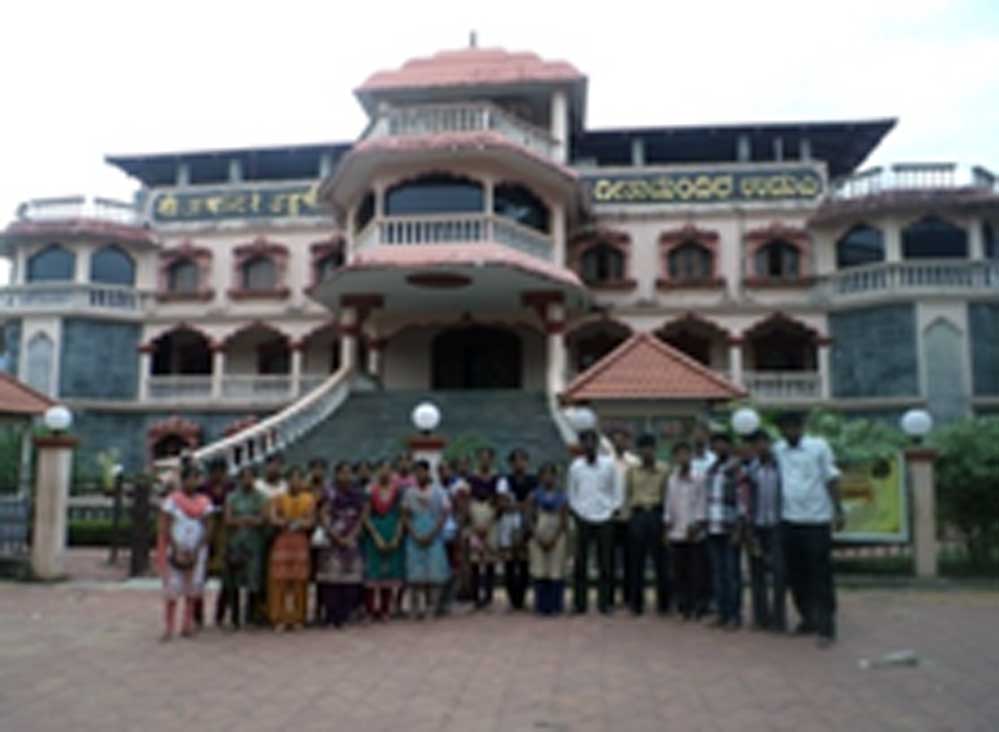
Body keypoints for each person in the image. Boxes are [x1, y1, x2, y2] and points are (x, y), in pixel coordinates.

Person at [773, 412, 843, 648]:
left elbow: (831, 478)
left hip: (816, 520)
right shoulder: (778, 450)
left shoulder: (818, 447)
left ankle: (827, 626)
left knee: (820, 575)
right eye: (785, 427)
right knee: (796, 574)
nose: (790, 431)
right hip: (789, 520)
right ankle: (807, 618)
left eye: (794, 426)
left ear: (801, 427)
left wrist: (838, 510)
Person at [156, 466, 213, 641]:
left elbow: (209, 527)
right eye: (190, 478)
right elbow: (165, 526)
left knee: (192, 588)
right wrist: (176, 547)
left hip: (197, 549)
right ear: (183, 480)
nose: (193, 482)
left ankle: (187, 625)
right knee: (172, 589)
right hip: (175, 548)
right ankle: (169, 627)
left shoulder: (205, 502)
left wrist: (197, 548)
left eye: (196, 479)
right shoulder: (172, 501)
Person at [568, 429, 621, 615]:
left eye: (592, 442)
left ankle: (605, 603)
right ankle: (579, 604)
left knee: (605, 563)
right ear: (581, 446)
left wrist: (613, 509)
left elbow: (616, 489)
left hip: (605, 517)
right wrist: (577, 512)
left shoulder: (609, 465)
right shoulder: (575, 467)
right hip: (583, 517)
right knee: (580, 563)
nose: (589, 445)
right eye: (585, 442)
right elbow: (572, 492)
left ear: (597, 445)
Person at [702, 432, 748, 630]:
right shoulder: (711, 470)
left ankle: (735, 615)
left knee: (732, 573)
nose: (719, 447)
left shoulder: (737, 469)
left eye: (722, 443)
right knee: (717, 573)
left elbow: (743, 501)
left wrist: (739, 527)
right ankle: (722, 613)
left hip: (730, 527)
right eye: (715, 444)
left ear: (729, 445)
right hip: (714, 526)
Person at [315, 461, 368, 628]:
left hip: (351, 540)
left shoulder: (357, 494)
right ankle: (331, 615)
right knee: (331, 581)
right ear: (336, 474)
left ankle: (345, 615)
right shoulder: (328, 493)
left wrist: (352, 535)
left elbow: (362, 516)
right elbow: (322, 515)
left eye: (348, 473)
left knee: (349, 580)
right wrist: (335, 535)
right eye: (342, 473)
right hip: (332, 540)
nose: (345, 476)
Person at [745, 430, 786, 632]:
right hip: (757, 525)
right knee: (756, 572)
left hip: (777, 525)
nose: (760, 447)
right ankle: (761, 617)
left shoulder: (781, 466)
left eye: (763, 442)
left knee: (779, 573)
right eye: (756, 444)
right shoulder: (752, 469)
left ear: (770, 444)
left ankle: (779, 618)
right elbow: (746, 498)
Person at [625, 433, 671, 615]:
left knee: (661, 561)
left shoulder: (664, 470)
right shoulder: (632, 471)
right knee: (636, 561)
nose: (647, 452)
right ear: (638, 451)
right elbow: (628, 494)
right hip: (638, 514)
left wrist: (667, 521)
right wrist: (629, 518)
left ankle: (664, 604)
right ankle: (636, 603)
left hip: (657, 514)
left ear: (655, 449)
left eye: (650, 448)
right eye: (643, 448)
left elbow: (667, 495)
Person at [663, 442, 708, 620]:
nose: (682, 458)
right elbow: (669, 503)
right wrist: (667, 524)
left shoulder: (699, 478)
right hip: (676, 530)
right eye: (679, 455)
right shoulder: (672, 479)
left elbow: (702, 502)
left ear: (691, 456)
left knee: (696, 572)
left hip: (694, 531)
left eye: (685, 454)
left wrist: (697, 524)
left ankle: (698, 605)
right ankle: (683, 606)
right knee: (679, 571)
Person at [267, 467, 315, 632]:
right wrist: (285, 522)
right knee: (279, 581)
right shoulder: (278, 499)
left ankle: (297, 618)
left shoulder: (308, 499)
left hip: (300, 542)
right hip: (282, 541)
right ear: (286, 481)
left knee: (299, 581)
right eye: (292, 479)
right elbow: (273, 518)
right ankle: (278, 618)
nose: (296, 482)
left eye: (299, 479)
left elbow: (311, 520)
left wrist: (299, 523)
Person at [402, 459, 451, 619]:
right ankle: (415, 607)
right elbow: (405, 515)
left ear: (428, 472)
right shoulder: (409, 493)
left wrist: (433, 533)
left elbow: (444, 515)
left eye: (422, 471)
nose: (419, 475)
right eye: (416, 472)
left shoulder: (439, 492)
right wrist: (414, 533)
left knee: (434, 574)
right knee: (415, 575)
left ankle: (432, 607)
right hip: (415, 534)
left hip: (434, 535)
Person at [221, 466, 267, 629]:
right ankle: (234, 617)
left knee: (253, 579)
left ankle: (251, 615)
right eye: (244, 477)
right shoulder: (232, 497)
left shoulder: (261, 497)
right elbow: (228, 519)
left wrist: (244, 520)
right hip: (236, 543)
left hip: (254, 544)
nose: (248, 480)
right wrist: (248, 519)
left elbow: (263, 519)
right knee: (233, 581)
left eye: (251, 477)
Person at [363, 459, 406, 621]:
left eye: (388, 469)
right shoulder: (370, 491)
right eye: (382, 469)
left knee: (388, 572)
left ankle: (385, 609)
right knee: (372, 572)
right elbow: (365, 516)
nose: (385, 473)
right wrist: (375, 535)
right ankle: (370, 609)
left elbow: (401, 515)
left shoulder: (398, 491)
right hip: (374, 534)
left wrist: (397, 536)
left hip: (392, 530)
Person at [196, 458, 234, 627]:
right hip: (206, 533)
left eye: (221, 472)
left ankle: (221, 614)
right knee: (200, 576)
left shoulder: (231, 488)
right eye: (215, 472)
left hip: (225, 534)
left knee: (227, 577)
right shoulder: (201, 490)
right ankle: (197, 614)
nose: (218, 476)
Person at [497, 448, 536, 611]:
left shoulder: (533, 480)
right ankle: (512, 599)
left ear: (527, 462)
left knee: (524, 561)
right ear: (511, 463)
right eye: (516, 461)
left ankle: (522, 598)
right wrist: (522, 505)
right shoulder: (504, 481)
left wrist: (515, 505)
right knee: (509, 561)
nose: (519, 464)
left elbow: (533, 503)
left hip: (526, 523)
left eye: (522, 460)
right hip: (508, 524)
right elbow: (502, 504)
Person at [527, 462, 568, 616]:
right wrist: (536, 536)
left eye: (551, 474)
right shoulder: (534, 495)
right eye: (545, 474)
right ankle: (541, 605)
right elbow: (529, 517)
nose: (548, 478)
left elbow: (564, 519)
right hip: (539, 533)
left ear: (556, 477)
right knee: (540, 569)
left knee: (556, 569)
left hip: (556, 534)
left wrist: (555, 538)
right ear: (540, 477)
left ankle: (556, 605)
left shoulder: (562, 496)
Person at [609, 427, 640, 608]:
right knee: (609, 559)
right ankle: (609, 597)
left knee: (631, 558)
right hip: (610, 516)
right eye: (616, 439)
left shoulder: (635, 462)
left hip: (630, 515)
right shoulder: (606, 462)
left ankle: (629, 597)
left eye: (622, 439)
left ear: (628, 442)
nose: (619, 443)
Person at [466, 447, 500, 610]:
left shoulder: (497, 478)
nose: (485, 461)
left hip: (491, 519)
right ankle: (475, 596)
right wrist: (473, 521)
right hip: (474, 517)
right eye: (482, 458)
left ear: (492, 459)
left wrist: (490, 520)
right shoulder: (471, 478)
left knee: (490, 559)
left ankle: (488, 595)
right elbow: (466, 499)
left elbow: (500, 500)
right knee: (474, 559)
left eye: (487, 458)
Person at [436, 459, 468, 615]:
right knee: (440, 567)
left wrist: (458, 530)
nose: (443, 473)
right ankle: (439, 601)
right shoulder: (436, 488)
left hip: (453, 531)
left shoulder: (459, 487)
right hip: (438, 533)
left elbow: (462, 510)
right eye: (441, 470)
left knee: (455, 567)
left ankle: (449, 600)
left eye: (446, 470)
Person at [306, 457, 330, 625]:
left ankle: (320, 609)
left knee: (323, 575)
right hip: (306, 533)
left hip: (325, 533)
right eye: (315, 468)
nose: (318, 472)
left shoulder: (329, 490)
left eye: (321, 469)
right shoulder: (304, 488)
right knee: (307, 574)